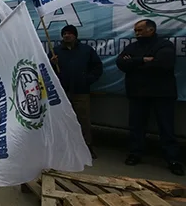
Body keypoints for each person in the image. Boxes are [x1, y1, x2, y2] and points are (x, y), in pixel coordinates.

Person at [116, 19, 184, 176]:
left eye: (140, 30)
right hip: (138, 94)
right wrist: (143, 60)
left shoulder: (164, 45)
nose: (137, 33)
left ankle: (172, 159)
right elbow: (120, 63)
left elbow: (163, 63)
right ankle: (135, 153)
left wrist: (133, 64)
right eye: (135, 30)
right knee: (136, 126)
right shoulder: (132, 46)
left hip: (162, 94)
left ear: (151, 30)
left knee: (166, 128)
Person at [49, 25, 102, 159]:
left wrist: (87, 80)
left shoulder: (86, 50)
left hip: (80, 91)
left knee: (83, 120)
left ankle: (87, 146)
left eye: (70, 33)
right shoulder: (55, 52)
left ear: (75, 35)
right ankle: (62, 146)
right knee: (61, 120)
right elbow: (46, 71)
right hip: (62, 92)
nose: (67, 35)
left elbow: (97, 67)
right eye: (64, 33)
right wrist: (51, 63)